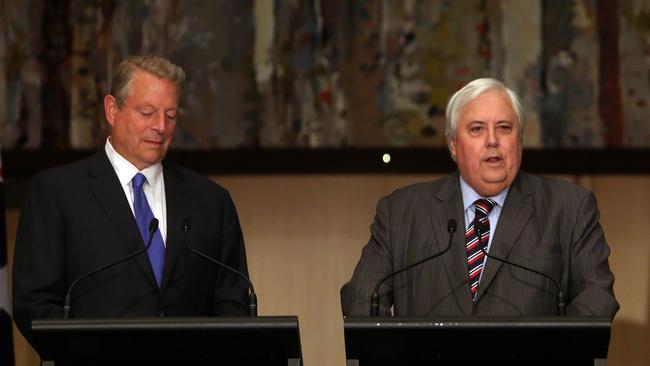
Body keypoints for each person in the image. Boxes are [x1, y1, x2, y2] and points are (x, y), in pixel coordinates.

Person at [13, 55, 251, 345]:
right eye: (147, 112)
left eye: (171, 115)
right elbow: (34, 304)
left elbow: (234, 305)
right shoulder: (56, 193)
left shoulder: (212, 202)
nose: (161, 126)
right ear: (112, 109)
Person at [341, 78, 619, 318]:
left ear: (519, 141)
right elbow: (364, 299)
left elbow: (597, 298)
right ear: (453, 145)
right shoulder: (401, 212)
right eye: (477, 129)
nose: (492, 140)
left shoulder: (570, 208)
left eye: (504, 128)